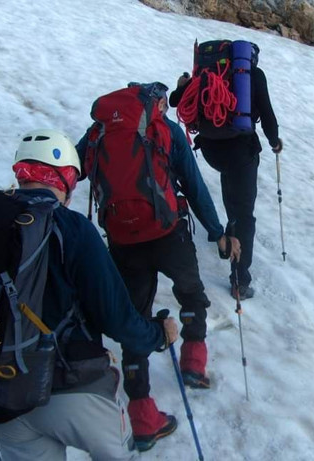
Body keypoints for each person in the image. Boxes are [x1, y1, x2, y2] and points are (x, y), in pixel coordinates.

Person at [0, 129, 180, 460]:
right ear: (66, 180)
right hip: (73, 388)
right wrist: (157, 335)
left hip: (2, 395)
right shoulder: (72, 228)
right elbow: (116, 317)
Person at [75, 82, 241, 452]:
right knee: (191, 295)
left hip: (122, 240)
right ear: (156, 104)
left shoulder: (99, 133)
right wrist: (217, 232)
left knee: (135, 321)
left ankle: (144, 419)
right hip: (168, 233)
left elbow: (72, 168)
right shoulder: (164, 131)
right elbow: (194, 186)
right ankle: (193, 364)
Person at [170, 43, 282, 299]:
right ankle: (240, 280)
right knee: (244, 216)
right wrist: (275, 142)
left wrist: (181, 85)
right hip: (240, 152)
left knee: (232, 200)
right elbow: (267, 116)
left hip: (211, 150)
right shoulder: (253, 74)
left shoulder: (205, 75)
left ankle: (228, 240)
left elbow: (176, 101)